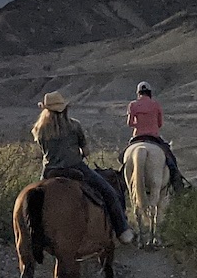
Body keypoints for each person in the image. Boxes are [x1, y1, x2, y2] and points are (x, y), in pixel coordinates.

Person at [31, 91, 131, 243]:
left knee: (35, 200)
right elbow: (86, 151)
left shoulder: (39, 130)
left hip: (50, 171)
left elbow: (43, 151)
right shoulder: (74, 126)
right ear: (64, 109)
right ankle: (122, 230)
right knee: (109, 192)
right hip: (75, 167)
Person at [125, 82, 185, 190]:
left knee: (123, 159)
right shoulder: (156, 105)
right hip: (153, 137)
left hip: (137, 138)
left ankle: (122, 185)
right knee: (171, 159)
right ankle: (178, 184)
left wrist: (138, 124)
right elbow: (160, 124)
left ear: (138, 93)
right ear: (150, 93)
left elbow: (129, 123)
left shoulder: (133, 105)